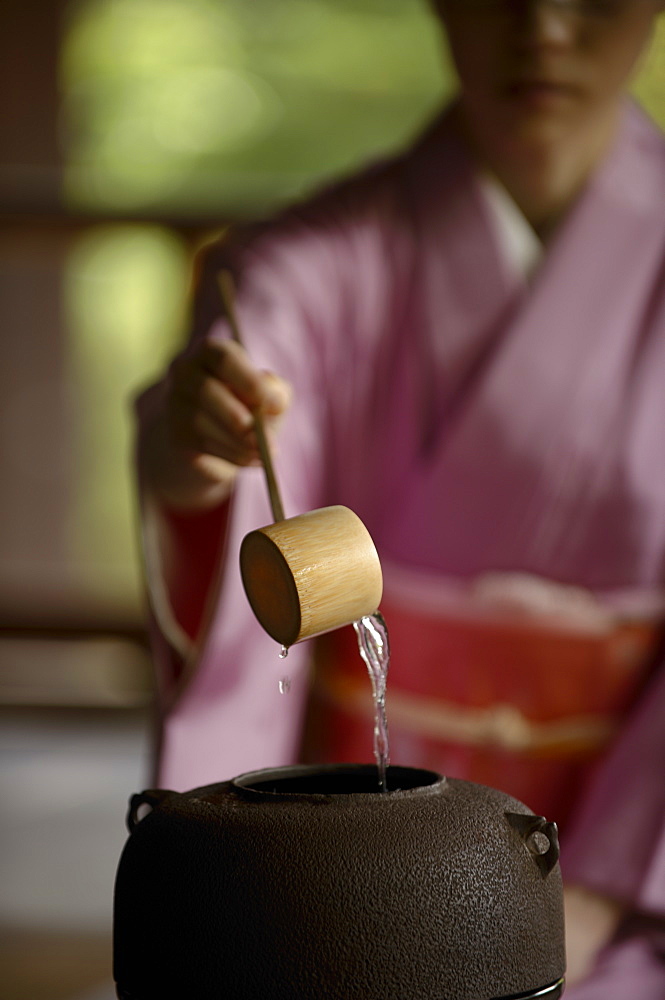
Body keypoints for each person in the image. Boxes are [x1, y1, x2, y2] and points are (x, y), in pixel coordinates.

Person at [135, 1, 665, 995]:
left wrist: (587, 900)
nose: (540, 27)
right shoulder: (303, 266)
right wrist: (194, 461)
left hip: (621, 872)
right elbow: (249, 397)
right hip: (337, 864)